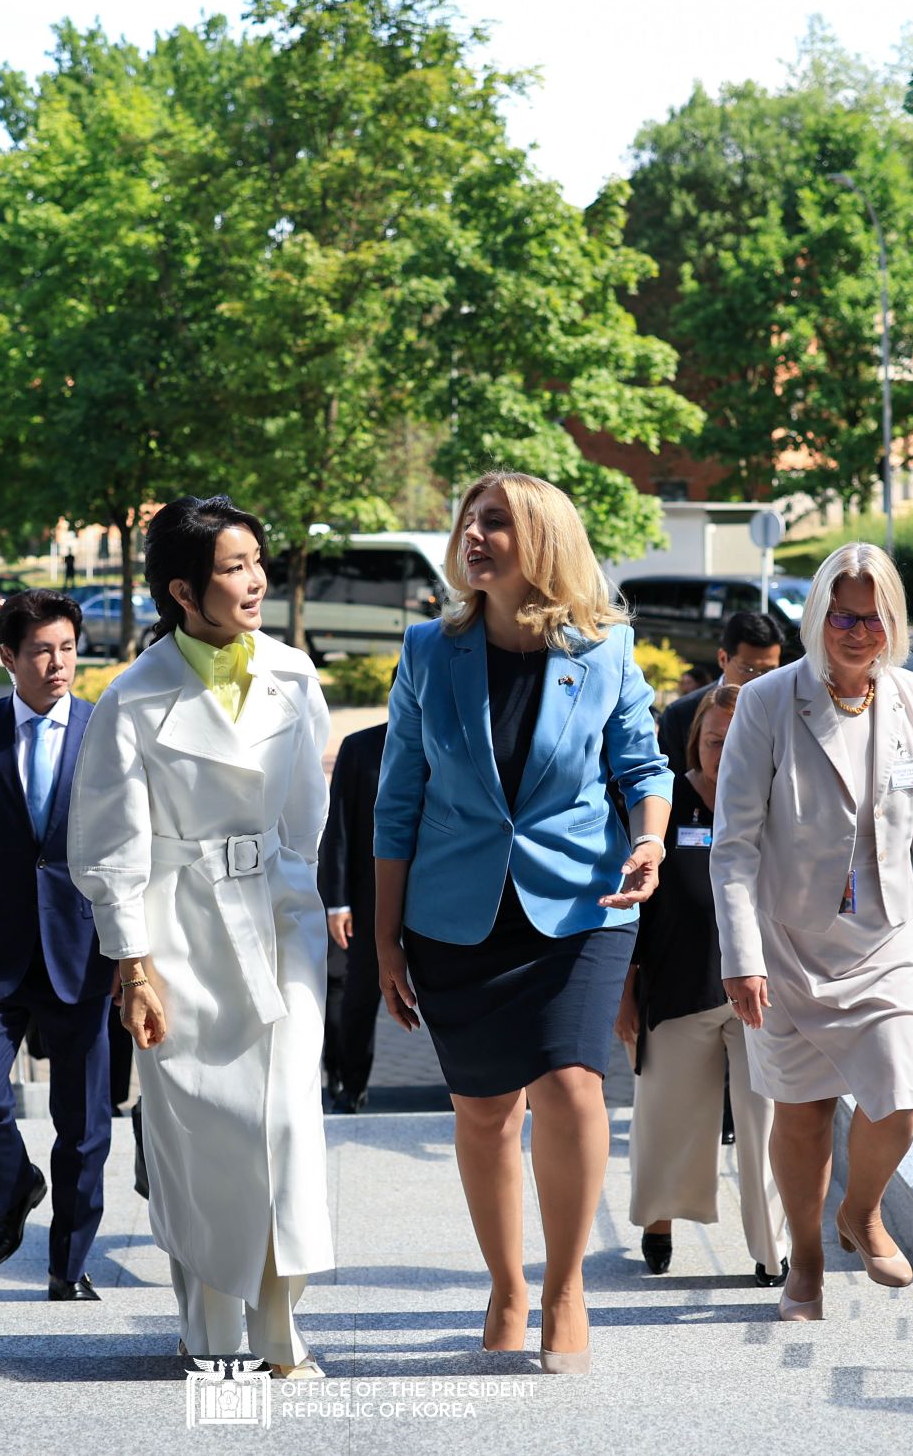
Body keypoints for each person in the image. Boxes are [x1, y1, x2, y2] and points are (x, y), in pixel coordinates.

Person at [373, 470, 672, 1376]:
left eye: (496, 522)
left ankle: (566, 1285)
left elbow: (644, 769)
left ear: (540, 541)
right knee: (483, 1110)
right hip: (455, 915)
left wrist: (651, 842)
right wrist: (386, 940)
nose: (475, 534)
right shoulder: (428, 651)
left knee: (575, 1084)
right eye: (470, 519)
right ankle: (506, 1285)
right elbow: (396, 803)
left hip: (582, 900)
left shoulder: (606, 651)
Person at [68, 495, 335, 1380]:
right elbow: (107, 845)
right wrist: (131, 964)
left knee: (291, 1124)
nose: (255, 580)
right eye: (233, 567)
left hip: (278, 920)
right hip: (177, 933)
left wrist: (302, 895)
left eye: (258, 560)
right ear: (183, 589)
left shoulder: (295, 675)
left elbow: (306, 813)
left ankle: (281, 1334)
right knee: (200, 1138)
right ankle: (211, 1333)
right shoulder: (132, 699)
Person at [709, 541, 913, 1325]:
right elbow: (733, 846)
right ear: (818, 616)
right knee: (800, 1112)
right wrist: (742, 955)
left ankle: (859, 1213)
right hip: (788, 946)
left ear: (892, 622)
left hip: (888, 937)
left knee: (900, 1101)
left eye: (874, 617)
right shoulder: (768, 703)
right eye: (844, 615)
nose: (859, 631)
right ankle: (804, 1256)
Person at [0, 589, 112, 1303]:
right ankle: (15, 1181)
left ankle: (67, 1267)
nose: (58, 664)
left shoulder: (106, 732)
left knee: (85, 1127)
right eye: (42, 650)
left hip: (84, 950)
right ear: (8, 656)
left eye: (68, 648)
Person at [618, 684, 784, 1285]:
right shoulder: (667, 805)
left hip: (761, 995)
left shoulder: (774, 803)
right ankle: (658, 1222)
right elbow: (632, 904)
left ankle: (771, 1250)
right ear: (697, 741)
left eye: (739, 740)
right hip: (675, 989)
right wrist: (624, 993)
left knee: (765, 1127)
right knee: (666, 1119)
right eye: (716, 740)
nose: (726, 750)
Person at [318, 721, 387, 1113]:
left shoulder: (457, 738)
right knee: (355, 998)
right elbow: (339, 828)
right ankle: (348, 1085)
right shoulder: (361, 747)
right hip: (367, 903)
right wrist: (337, 902)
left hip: (438, 904)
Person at [658, 610, 789, 780]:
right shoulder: (681, 715)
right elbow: (669, 786)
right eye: (748, 669)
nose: (758, 680)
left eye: (768, 671)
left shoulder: (787, 711)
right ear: (722, 658)